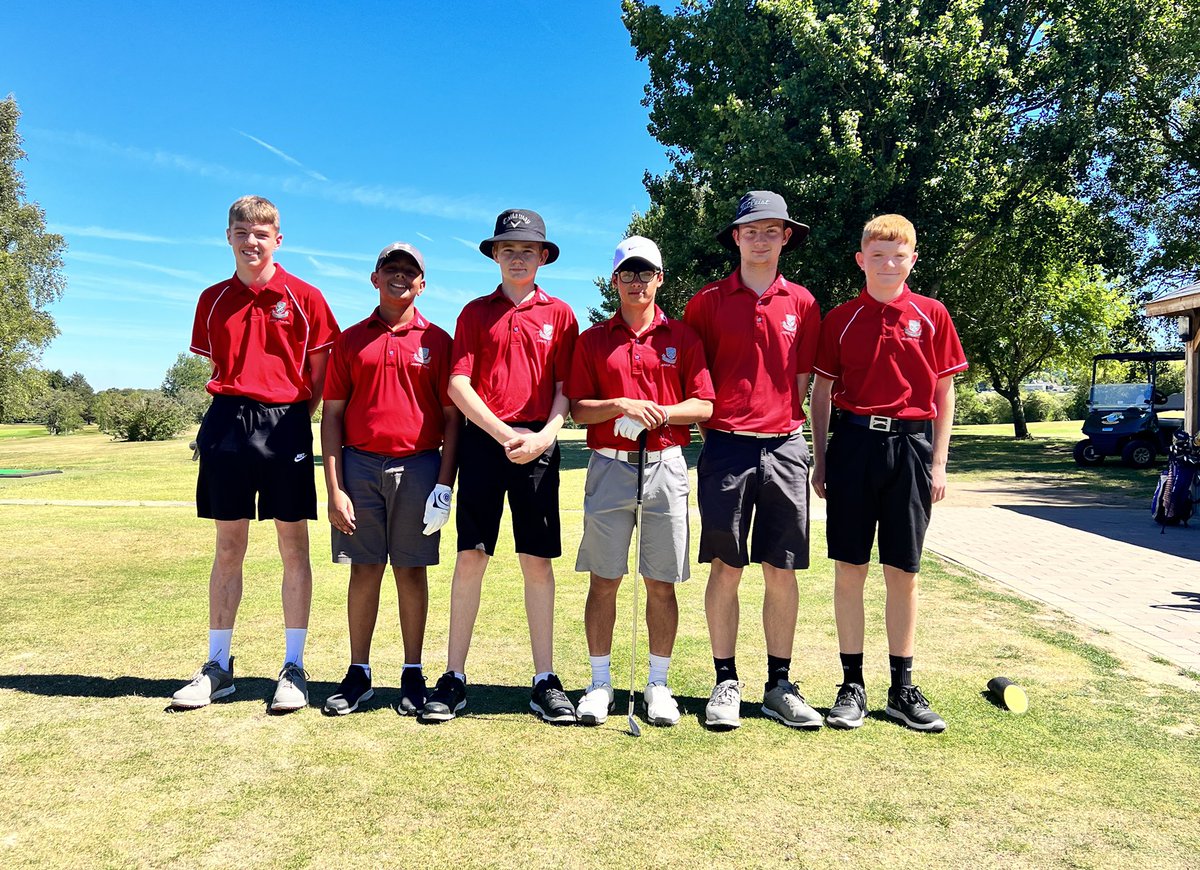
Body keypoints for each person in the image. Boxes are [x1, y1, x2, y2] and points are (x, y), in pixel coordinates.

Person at [172, 195, 339, 713]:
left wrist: (291, 420)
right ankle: (218, 667)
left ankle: (293, 668)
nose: (251, 242)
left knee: (294, 546)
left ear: (277, 240)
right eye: (242, 232)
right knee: (228, 546)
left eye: (261, 234)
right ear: (228, 237)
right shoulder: (212, 298)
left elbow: (318, 377)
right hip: (225, 423)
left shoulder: (306, 297)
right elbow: (218, 361)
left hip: (285, 423)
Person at [809, 214, 968, 732]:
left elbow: (945, 392)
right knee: (850, 568)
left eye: (897, 256)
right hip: (854, 445)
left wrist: (939, 462)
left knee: (904, 571)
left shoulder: (933, 313)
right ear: (861, 259)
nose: (887, 264)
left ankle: (902, 688)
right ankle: (851, 684)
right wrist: (823, 458)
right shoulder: (841, 319)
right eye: (877, 255)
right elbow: (822, 393)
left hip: (912, 447)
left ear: (912, 260)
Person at [420, 209, 580, 724]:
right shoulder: (473, 313)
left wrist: (545, 436)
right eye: (508, 248)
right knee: (471, 556)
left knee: (537, 561)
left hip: (539, 443)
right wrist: (503, 433)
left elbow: (565, 390)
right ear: (494, 254)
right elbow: (458, 385)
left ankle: (544, 679)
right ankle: (454, 676)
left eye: (528, 249)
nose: (517, 257)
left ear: (543, 257)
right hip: (486, 444)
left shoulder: (561, 314)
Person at [683, 191, 822, 730]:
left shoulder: (804, 304)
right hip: (726, 447)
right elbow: (696, 379)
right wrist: (720, 431)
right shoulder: (707, 301)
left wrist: (783, 424)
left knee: (781, 569)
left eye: (771, 230)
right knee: (726, 566)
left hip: (786, 446)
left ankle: (779, 684)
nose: (760, 239)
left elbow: (803, 379)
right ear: (735, 237)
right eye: (751, 230)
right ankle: (725, 681)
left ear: (786, 237)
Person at [566, 236, 714, 727]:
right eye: (627, 273)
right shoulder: (592, 340)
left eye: (645, 273)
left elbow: (704, 405)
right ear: (615, 280)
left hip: (666, 464)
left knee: (661, 582)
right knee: (604, 579)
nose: (636, 282)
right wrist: (620, 405)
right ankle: (599, 683)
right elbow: (578, 409)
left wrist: (659, 414)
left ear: (659, 278)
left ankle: (658, 684)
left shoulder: (684, 337)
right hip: (609, 465)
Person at [319, 243, 461, 716]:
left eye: (410, 271)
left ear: (422, 283)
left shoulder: (437, 342)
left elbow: (451, 419)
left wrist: (444, 483)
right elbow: (332, 417)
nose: (400, 276)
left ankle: (412, 672)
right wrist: (334, 488)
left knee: (410, 570)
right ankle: (358, 673)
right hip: (359, 466)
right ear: (374, 278)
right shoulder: (350, 339)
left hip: (419, 466)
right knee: (364, 570)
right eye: (391, 268)